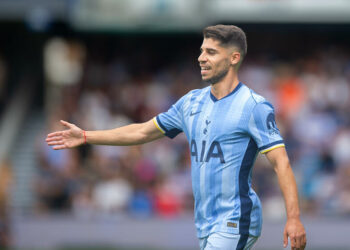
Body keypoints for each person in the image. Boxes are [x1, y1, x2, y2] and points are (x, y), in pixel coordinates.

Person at [46, 24, 307, 250]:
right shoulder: (190, 102)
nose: (201, 58)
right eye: (202, 50)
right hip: (205, 221)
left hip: (235, 218)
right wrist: (86, 135)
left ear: (233, 58)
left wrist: (293, 218)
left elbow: (281, 163)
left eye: (211, 52)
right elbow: (141, 131)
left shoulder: (253, 106)